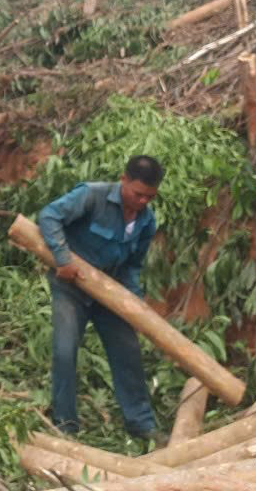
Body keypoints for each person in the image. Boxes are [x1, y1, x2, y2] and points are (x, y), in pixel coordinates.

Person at [36, 156, 164, 443]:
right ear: (123, 180)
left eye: (149, 196)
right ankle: (65, 425)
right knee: (65, 350)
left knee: (128, 352)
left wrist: (133, 299)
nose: (142, 201)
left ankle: (141, 424)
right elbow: (48, 216)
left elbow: (133, 265)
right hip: (71, 288)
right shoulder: (91, 196)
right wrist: (62, 257)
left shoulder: (147, 222)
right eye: (137, 193)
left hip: (109, 293)